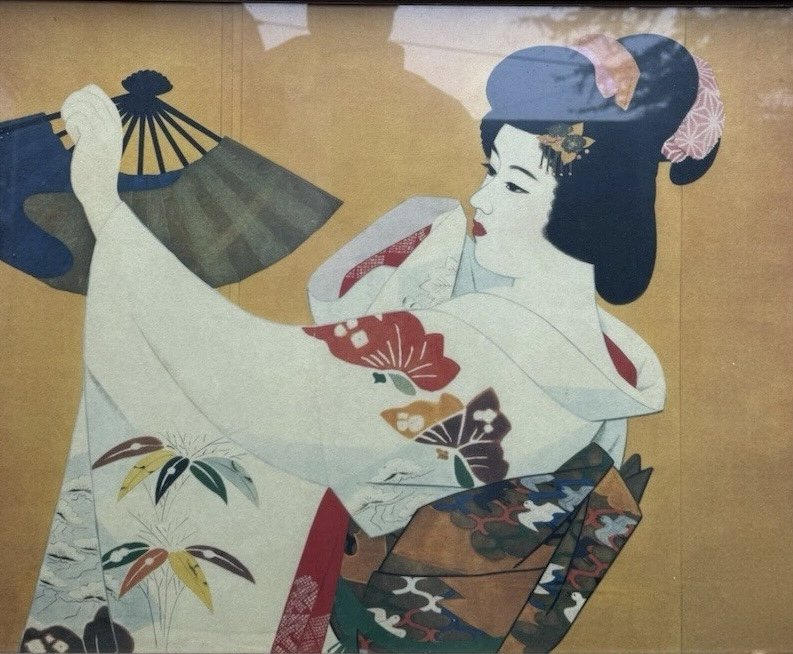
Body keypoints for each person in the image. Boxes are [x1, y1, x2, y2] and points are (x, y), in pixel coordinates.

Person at [21, 33, 721, 654]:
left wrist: (104, 206)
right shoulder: (601, 358)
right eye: (488, 173)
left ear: (587, 213)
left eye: (512, 183)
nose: (481, 201)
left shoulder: (481, 342)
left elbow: (248, 379)